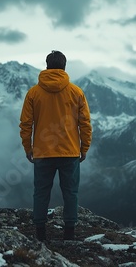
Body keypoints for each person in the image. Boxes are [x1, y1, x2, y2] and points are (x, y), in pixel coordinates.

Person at [19, 50, 92, 241]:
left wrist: (28, 148)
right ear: (64, 67)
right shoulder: (76, 92)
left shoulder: (33, 93)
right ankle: (69, 234)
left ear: (47, 66)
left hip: (43, 152)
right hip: (70, 152)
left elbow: (26, 124)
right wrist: (84, 148)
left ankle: (40, 233)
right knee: (70, 193)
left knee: (41, 192)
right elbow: (85, 123)